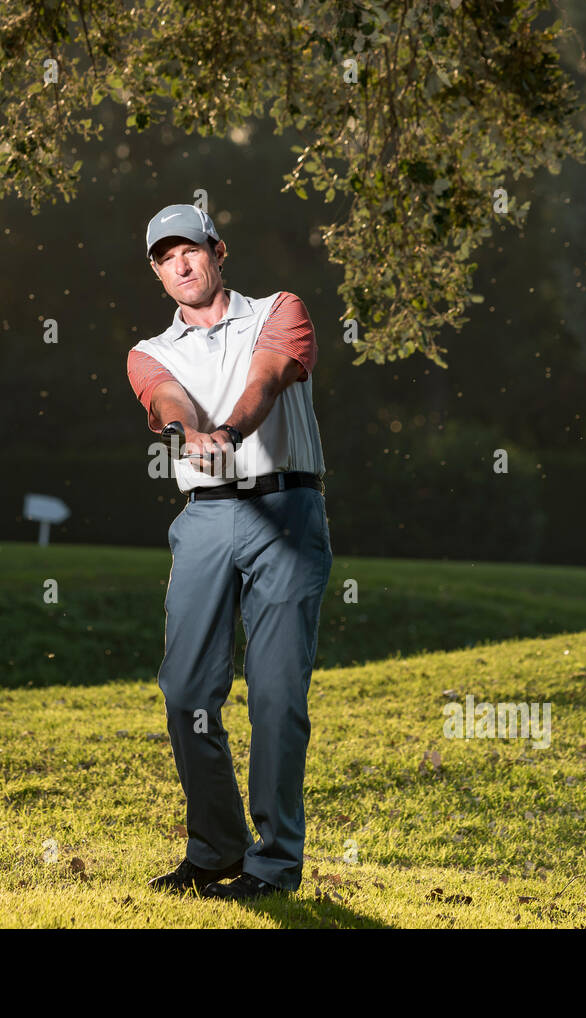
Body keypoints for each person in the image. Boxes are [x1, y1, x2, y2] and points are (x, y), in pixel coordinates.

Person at [125, 203, 333, 900]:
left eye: (188, 250)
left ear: (218, 249)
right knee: (186, 692)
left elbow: (267, 378)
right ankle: (214, 850)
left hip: (286, 509)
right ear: (157, 273)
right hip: (207, 520)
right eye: (163, 258)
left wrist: (231, 431)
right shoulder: (150, 350)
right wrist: (194, 431)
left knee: (276, 696)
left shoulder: (279, 308)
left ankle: (272, 868)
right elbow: (168, 397)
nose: (179, 265)